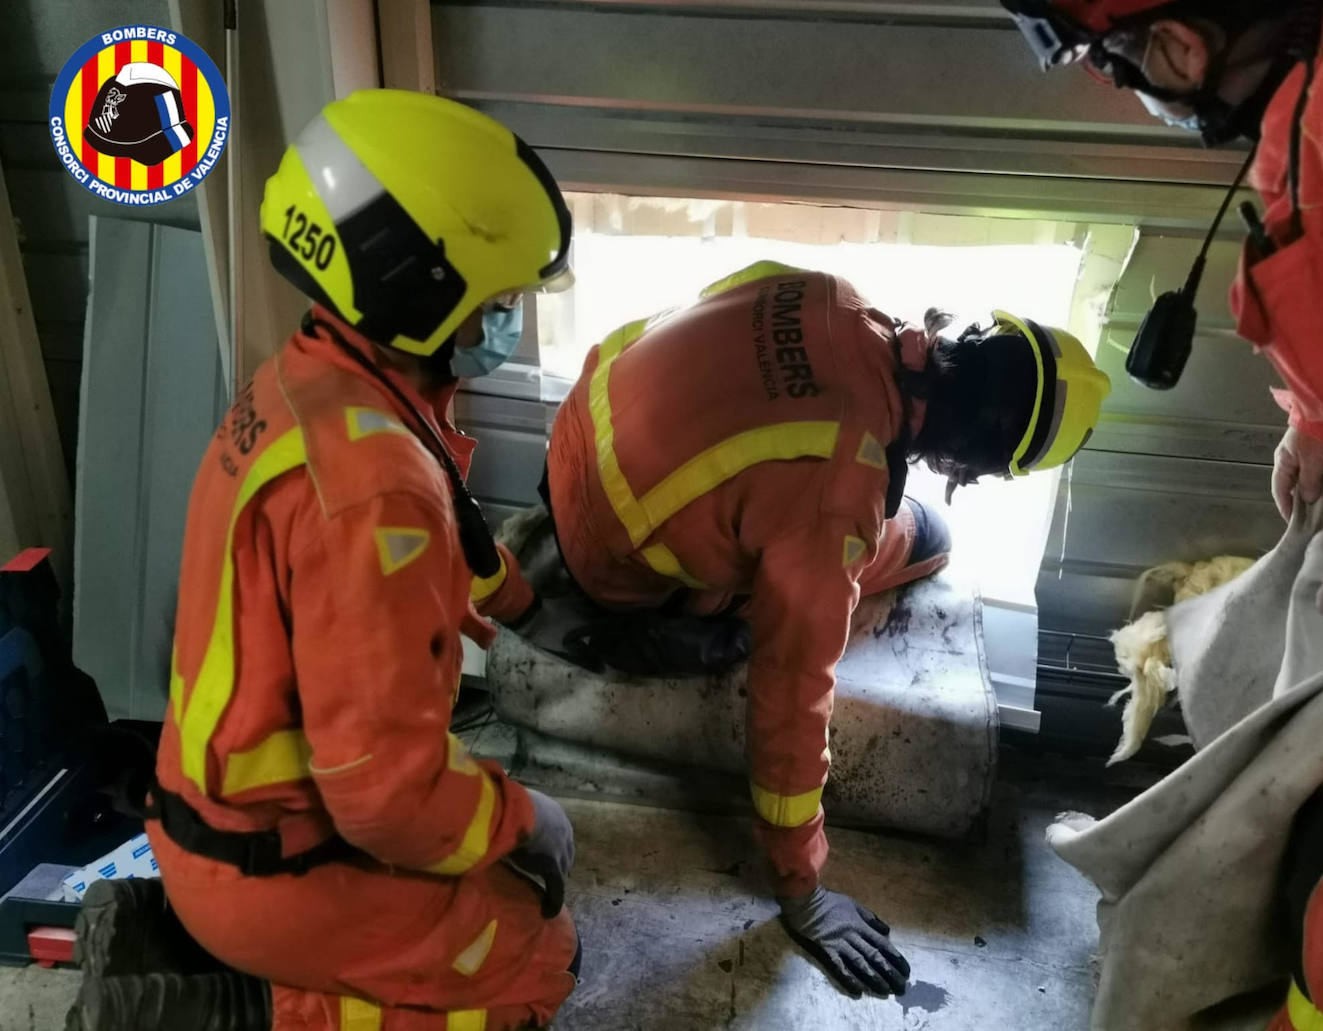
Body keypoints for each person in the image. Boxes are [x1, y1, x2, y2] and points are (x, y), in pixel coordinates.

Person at [66, 90, 580, 1031]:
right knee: (531, 959)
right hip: (272, 864)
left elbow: (422, 542)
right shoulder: (377, 492)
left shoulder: (316, 378)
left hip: (208, 810)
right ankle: (237, 1013)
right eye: (496, 300)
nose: (505, 321)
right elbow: (386, 798)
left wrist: (513, 599)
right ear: (414, 287)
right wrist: (519, 819)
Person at [509, 260, 1110, 998]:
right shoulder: (837, 496)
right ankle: (666, 628)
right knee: (922, 541)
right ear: (976, 456)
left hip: (572, 435)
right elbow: (793, 695)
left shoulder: (833, 293)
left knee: (860, 525)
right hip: (614, 563)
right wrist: (802, 889)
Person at [1002, 2, 1323, 1027]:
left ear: (1178, 43)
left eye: (1121, 64)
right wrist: (1321, 421)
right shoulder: (1308, 100)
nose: (1137, 87)